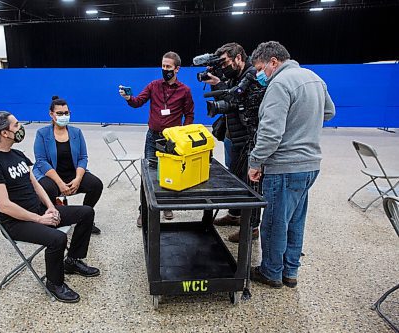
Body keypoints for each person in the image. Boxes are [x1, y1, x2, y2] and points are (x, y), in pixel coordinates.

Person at [0, 111, 100, 303]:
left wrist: (51, 207)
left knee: (86, 213)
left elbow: (36, 185)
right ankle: (55, 283)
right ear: (4, 133)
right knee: (58, 238)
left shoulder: (17, 154)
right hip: (15, 222)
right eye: (16, 125)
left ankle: (72, 260)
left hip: (38, 211)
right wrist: (40, 219)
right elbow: (5, 206)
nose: (21, 128)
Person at [248, 41, 335, 289]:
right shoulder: (314, 78)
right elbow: (329, 112)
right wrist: (303, 123)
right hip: (310, 165)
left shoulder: (279, 84)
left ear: (273, 62)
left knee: (275, 221)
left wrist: (256, 161)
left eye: (261, 68)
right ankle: (290, 271)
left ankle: (271, 272)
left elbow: (271, 133)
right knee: (296, 220)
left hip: (284, 165)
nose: (260, 75)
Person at [119, 51, 195, 227]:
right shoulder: (153, 85)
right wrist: (128, 98)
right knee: (149, 175)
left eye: (168, 66)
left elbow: (189, 114)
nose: (165, 69)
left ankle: (166, 205)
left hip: (172, 140)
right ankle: (143, 210)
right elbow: (138, 101)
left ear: (177, 69)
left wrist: (182, 134)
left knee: (171, 174)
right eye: (163, 66)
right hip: (153, 138)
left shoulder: (185, 91)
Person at [204, 42, 265, 243]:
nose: (223, 67)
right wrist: (217, 83)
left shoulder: (251, 76)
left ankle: (251, 227)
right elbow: (229, 97)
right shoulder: (233, 77)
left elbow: (237, 100)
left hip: (249, 139)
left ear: (238, 57)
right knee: (235, 179)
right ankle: (234, 214)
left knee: (250, 184)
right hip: (233, 137)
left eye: (225, 62)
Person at [33, 96, 103, 235]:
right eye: (59, 113)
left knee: (96, 185)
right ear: (51, 114)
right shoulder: (42, 133)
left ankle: (84, 217)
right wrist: (60, 183)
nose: (63, 116)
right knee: (47, 189)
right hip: (51, 175)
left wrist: (77, 179)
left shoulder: (76, 132)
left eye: (66, 113)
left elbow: (83, 157)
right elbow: (41, 161)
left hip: (72, 173)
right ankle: (54, 218)